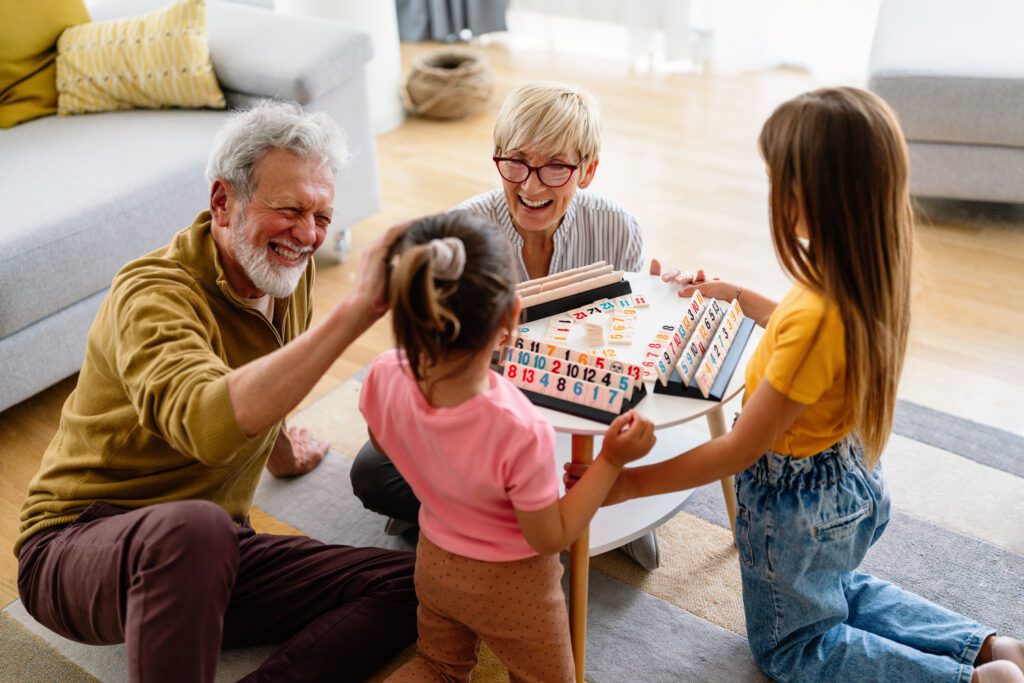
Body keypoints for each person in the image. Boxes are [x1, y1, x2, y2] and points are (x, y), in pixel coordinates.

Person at [567, 87, 1024, 683]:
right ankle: (989, 647)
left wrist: (627, 484)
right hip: (845, 480)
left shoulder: (815, 321)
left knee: (794, 646)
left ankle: (966, 680)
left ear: (814, 196)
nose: (772, 194)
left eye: (777, 179)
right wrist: (733, 294)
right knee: (837, 588)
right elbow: (791, 318)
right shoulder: (857, 277)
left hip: (793, 505)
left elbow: (738, 449)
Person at [15, 101, 418, 683]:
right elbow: (208, 425)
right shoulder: (150, 296)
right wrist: (359, 310)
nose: (308, 236)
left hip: (210, 553)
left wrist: (283, 453)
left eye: (323, 217)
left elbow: (264, 382)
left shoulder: (281, 279)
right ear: (223, 202)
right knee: (196, 529)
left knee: (410, 586)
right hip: (76, 545)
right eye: (291, 210)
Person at [350, 81, 668, 569]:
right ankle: (550, 514)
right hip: (483, 419)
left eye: (555, 167)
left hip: (579, 407)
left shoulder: (618, 227)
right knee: (372, 473)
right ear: (497, 155)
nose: (531, 185)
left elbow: (629, 339)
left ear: (588, 170)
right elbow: (429, 359)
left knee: (656, 434)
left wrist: (659, 298)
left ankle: (482, 514)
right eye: (515, 161)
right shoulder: (462, 232)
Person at [358, 212, 656, 681]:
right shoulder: (519, 426)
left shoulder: (382, 372)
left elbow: (382, 441)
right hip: (513, 588)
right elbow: (551, 536)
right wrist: (611, 462)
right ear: (512, 317)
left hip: (434, 561)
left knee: (435, 665)